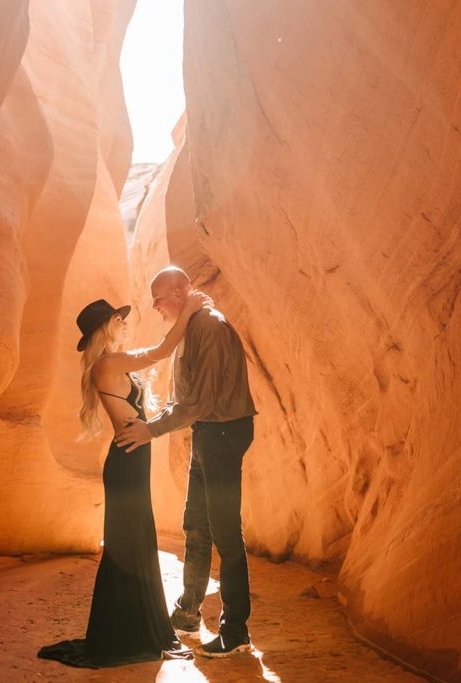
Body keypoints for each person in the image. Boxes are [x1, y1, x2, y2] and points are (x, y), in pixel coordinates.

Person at [37, 289, 210, 668]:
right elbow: (162, 349)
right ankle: (123, 634)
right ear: (105, 327)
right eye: (118, 318)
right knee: (127, 547)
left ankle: (135, 628)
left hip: (131, 460)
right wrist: (191, 309)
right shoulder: (108, 362)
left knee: (136, 544)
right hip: (126, 463)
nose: (124, 321)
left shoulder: (113, 363)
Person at [115, 266, 258, 658]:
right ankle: (189, 611)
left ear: (180, 294)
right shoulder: (191, 327)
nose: (155, 305)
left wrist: (151, 429)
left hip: (224, 433)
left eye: (158, 297)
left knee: (225, 530)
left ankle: (235, 628)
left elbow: (201, 402)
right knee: (196, 524)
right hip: (210, 432)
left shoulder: (208, 327)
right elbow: (193, 401)